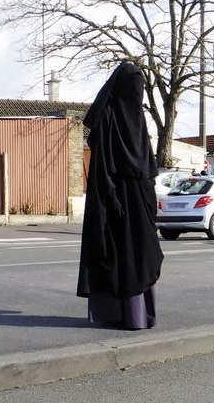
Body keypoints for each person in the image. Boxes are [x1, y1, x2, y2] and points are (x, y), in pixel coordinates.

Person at [77, 62, 164, 330]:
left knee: (141, 254)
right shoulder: (109, 118)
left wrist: (149, 196)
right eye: (135, 87)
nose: (138, 93)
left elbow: (146, 162)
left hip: (139, 200)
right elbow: (102, 165)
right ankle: (121, 314)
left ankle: (140, 315)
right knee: (119, 257)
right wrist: (111, 197)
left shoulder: (136, 117)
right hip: (116, 201)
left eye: (141, 88)